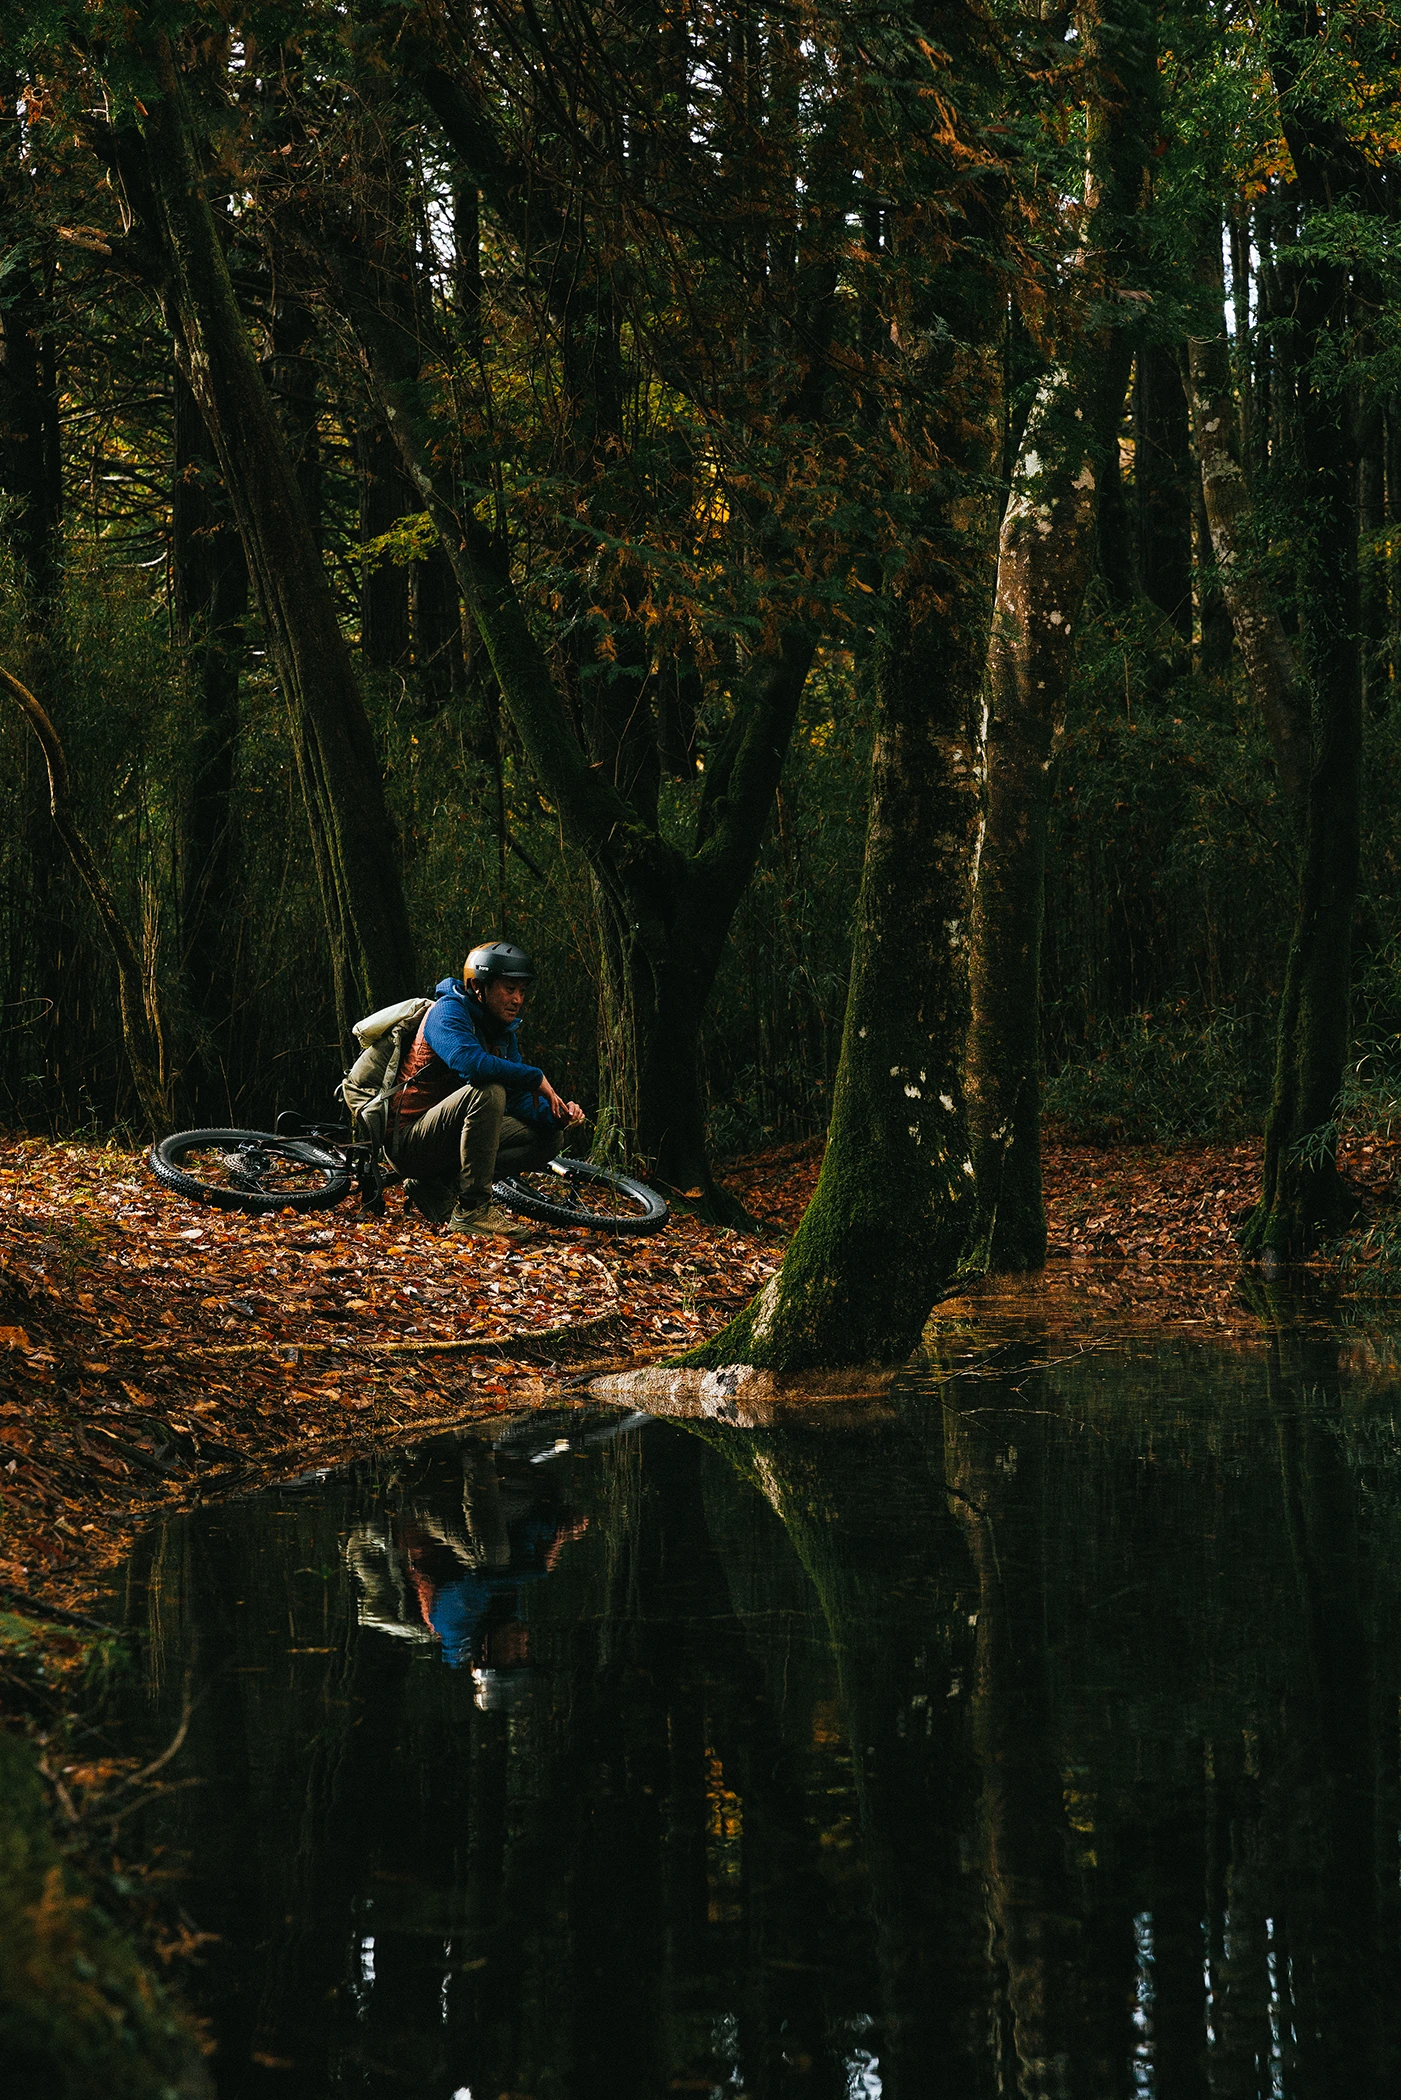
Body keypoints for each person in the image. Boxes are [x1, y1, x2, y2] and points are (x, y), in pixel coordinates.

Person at [389, 941, 584, 1239]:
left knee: (548, 1138)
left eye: (522, 991)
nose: (517, 999)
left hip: (444, 1141)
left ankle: (436, 1185)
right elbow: (469, 1063)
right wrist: (535, 1077)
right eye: (509, 989)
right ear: (479, 987)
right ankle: (473, 1210)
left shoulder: (501, 1032)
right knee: (488, 1090)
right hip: (409, 1142)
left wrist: (557, 1115)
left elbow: (519, 1100)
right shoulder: (447, 1012)